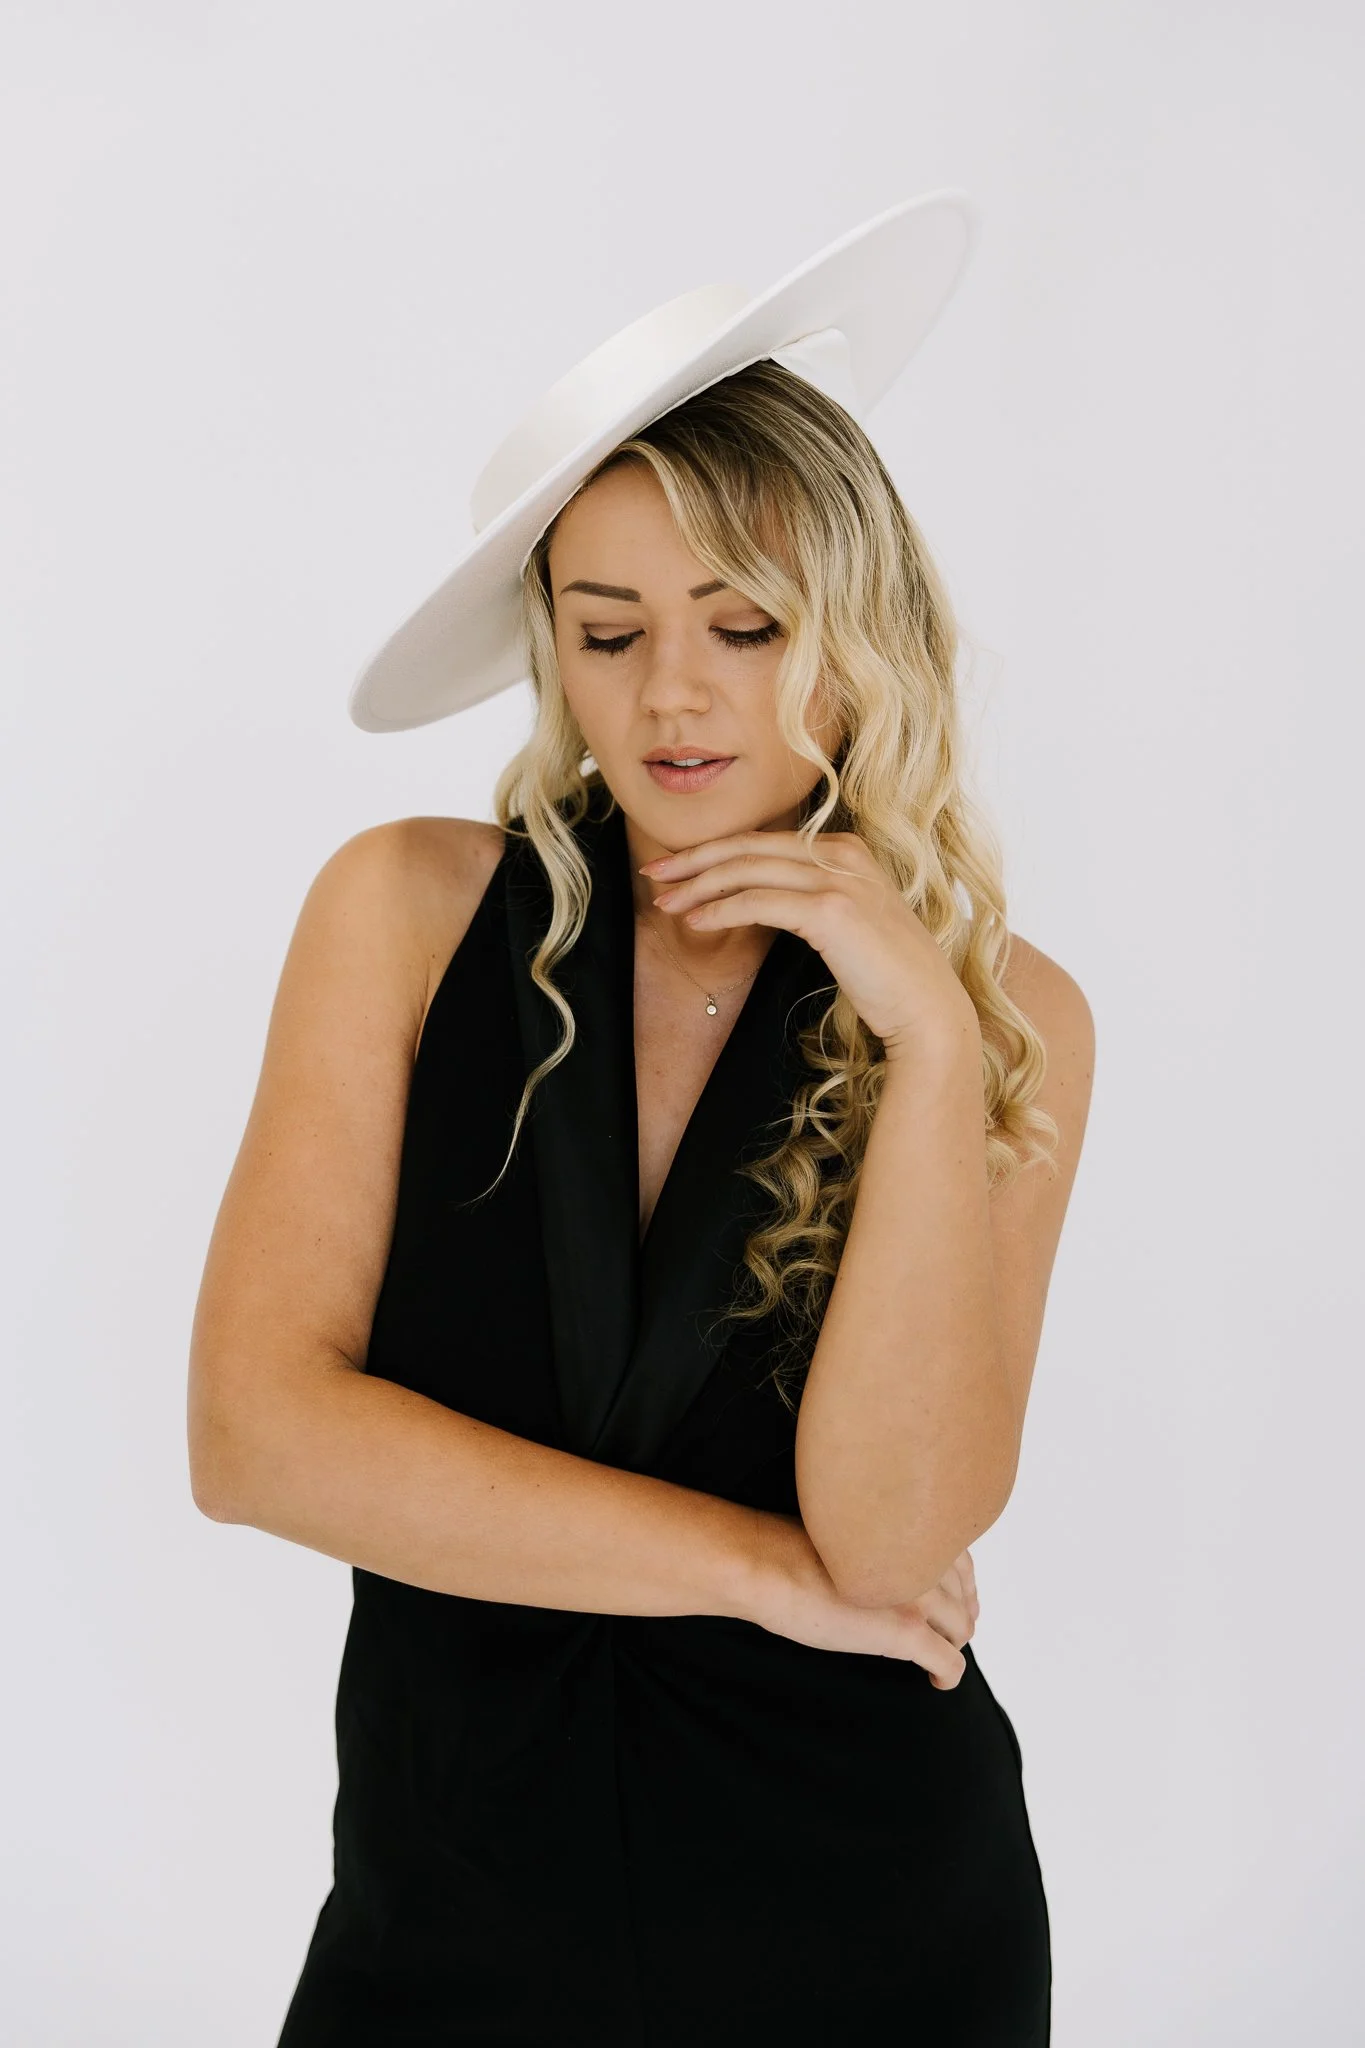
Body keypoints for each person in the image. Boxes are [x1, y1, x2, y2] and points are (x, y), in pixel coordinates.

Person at [188, 194, 1094, 2045]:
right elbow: (259, 1439)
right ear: (552, 652)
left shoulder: (1008, 1021)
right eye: (608, 633)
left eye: (745, 624)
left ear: (860, 633)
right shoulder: (407, 914)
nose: (673, 693)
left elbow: (895, 1528)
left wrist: (923, 1039)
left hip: (866, 1934)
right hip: (449, 1915)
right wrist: (750, 1575)